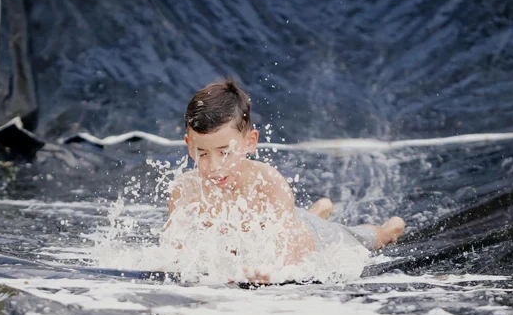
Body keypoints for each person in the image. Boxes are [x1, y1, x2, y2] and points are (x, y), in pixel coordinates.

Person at [164, 79, 405, 282]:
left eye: (225, 152)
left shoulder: (267, 182)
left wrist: (272, 272)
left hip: (310, 237)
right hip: (285, 221)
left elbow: (287, 253)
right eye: (203, 154)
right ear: (189, 146)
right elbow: (174, 249)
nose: (214, 166)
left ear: (250, 142)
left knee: (356, 239)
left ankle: (385, 229)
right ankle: (316, 210)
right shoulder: (186, 188)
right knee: (294, 217)